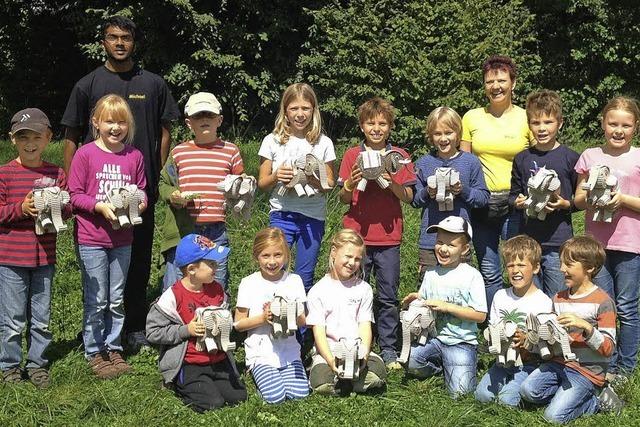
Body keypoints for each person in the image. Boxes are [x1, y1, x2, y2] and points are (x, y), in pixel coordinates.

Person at [61, 15, 180, 348]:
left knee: (138, 258)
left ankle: (134, 327)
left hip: (139, 190)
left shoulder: (153, 84)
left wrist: (154, 170)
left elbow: (165, 129)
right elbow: (71, 135)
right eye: (113, 37)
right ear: (104, 42)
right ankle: (96, 334)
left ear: (133, 43)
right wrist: (73, 187)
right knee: (97, 266)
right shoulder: (87, 84)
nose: (119, 43)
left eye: (125, 38)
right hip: (93, 200)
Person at [68, 94, 147, 379]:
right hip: (91, 238)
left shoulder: (134, 156)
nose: (115, 128)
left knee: (115, 297)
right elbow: (74, 195)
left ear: (129, 126)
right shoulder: (85, 154)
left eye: (121, 123)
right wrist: (99, 206)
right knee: (97, 297)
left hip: (123, 239)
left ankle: (113, 347)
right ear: (96, 123)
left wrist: (139, 203)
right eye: (109, 121)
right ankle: (94, 350)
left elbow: (141, 191)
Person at [337, 97, 416, 369]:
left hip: (388, 236)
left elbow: (408, 196)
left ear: (390, 127)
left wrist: (388, 178)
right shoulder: (351, 155)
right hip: (356, 236)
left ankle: (390, 347)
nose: (376, 128)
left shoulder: (399, 156)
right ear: (362, 126)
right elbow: (344, 199)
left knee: (387, 295)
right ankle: (352, 341)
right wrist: (351, 182)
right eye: (371, 123)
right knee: (353, 292)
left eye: (382, 123)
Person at [0, 109, 70, 388]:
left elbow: (68, 208)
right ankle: (10, 366)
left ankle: (37, 364)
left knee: (41, 318)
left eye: (37, 137)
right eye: (23, 137)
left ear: (48, 138)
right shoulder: (5, 173)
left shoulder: (56, 173)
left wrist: (58, 208)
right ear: (12, 139)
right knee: (13, 318)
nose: (30, 143)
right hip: (10, 259)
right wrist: (22, 209)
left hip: (44, 257)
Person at [574, 96, 640, 378]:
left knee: (627, 307)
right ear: (603, 123)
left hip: (629, 243)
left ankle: (626, 365)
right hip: (596, 246)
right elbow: (577, 199)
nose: (618, 130)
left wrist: (622, 199)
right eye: (613, 123)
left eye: (625, 125)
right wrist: (594, 200)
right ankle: (605, 363)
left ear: (635, 128)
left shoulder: (638, 157)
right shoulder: (590, 155)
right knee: (604, 306)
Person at [461, 55, 533, 309]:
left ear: (513, 83)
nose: (496, 86)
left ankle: (523, 320)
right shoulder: (471, 118)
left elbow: (538, 160)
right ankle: (495, 323)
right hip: (482, 202)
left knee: (518, 264)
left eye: (502, 80)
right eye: (490, 81)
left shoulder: (527, 118)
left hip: (516, 202)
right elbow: (464, 162)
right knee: (489, 269)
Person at [519, 236, 617, 423]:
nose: (562, 269)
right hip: (559, 363)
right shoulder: (558, 298)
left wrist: (586, 327)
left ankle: (596, 400)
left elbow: (608, 349)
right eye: (562, 263)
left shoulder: (603, 302)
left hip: (587, 371)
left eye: (569, 265)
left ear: (589, 268)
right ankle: (566, 396)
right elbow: (552, 337)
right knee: (527, 391)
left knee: (553, 417)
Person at [146, 234, 247, 412]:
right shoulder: (173, 296)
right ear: (192, 269)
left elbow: (226, 319)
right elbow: (153, 332)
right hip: (190, 361)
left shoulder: (217, 289)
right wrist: (187, 330)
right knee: (211, 403)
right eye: (211, 264)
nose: (216, 267)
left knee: (238, 397)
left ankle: (211, 381)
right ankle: (178, 380)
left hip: (218, 358)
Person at [158, 92, 244, 292]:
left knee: (216, 283)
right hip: (186, 229)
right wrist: (173, 195)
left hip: (217, 230)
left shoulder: (231, 151)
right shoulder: (179, 152)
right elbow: (163, 182)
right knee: (179, 285)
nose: (204, 119)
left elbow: (241, 183)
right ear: (189, 123)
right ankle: (176, 321)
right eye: (198, 116)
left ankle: (215, 319)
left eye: (210, 115)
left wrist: (244, 187)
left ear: (219, 120)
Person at [257, 82, 336, 292]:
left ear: (313, 110)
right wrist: (276, 176)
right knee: (276, 270)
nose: (300, 114)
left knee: (304, 275)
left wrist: (312, 179)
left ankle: (301, 325)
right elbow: (262, 183)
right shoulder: (272, 140)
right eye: (294, 108)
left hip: (313, 217)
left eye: (305, 108)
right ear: (285, 111)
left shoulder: (324, 142)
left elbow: (329, 184)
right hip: (281, 214)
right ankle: (274, 320)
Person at [402, 216, 487, 397]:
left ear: (464, 249)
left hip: (461, 342)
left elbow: (480, 315)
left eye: (451, 245)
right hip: (434, 339)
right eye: (440, 242)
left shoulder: (472, 276)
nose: (443, 249)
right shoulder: (431, 273)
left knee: (460, 394)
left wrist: (447, 307)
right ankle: (441, 368)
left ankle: (457, 367)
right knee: (410, 361)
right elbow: (427, 303)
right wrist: (416, 300)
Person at [510, 90, 580, 297]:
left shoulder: (571, 158)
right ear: (529, 125)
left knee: (559, 296)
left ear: (560, 123)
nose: (541, 129)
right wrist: (518, 202)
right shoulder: (522, 158)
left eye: (548, 122)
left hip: (558, 242)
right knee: (530, 297)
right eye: (535, 123)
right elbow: (512, 195)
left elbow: (580, 200)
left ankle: (558, 329)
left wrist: (565, 204)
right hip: (528, 242)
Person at [306, 229, 387, 396]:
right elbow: (318, 332)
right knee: (321, 381)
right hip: (330, 349)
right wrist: (330, 360)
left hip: (357, 349)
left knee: (377, 372)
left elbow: (365, 325)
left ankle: (349, 381)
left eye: (357, 259)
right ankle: (342, 379)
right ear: (334, 252)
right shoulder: (317, 291)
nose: (352, 263)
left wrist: (363, 356)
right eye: (348, 257)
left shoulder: (364, 289)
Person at [474, 235, 552, 407]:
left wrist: (526, 340)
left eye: (521, 265)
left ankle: (535, 393)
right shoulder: (500, 296)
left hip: (528, 363)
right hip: (501, 362)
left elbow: (545, 341)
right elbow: (493, 326)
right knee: (482, 397)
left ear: (536, 267)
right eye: (510, 265)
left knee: (506, 401)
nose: (515, 270)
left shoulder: (543, 302)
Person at [234, 227, 309, 403]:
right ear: (256, 257)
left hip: (289, 350)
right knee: (275, 397)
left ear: (286, 255)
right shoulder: (248, 283)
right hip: (261, 351)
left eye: (277, 255)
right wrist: (263, 318)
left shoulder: (294, 281)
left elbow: (303, 320)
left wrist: (291, 314)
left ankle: (282, 376)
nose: (272, 261)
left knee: (300, 394)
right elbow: (238, 324)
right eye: (265, 256)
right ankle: (258, 373)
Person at [413, 106, 489, 281]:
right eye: (437, 134)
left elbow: (483, 198)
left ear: (458, 134)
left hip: (459, 242)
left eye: (449, 132)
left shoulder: (471, 162)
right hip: (430, 241)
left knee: (461, 288)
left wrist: (463, 190)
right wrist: (427, 192)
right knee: (429, 289)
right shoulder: (424, 163)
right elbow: (415, 200)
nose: (443, 138)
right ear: (431, 136)